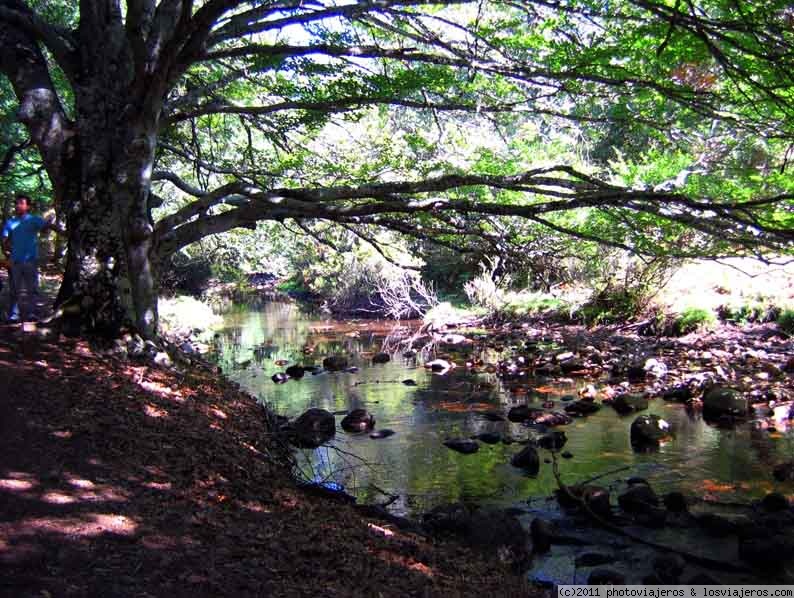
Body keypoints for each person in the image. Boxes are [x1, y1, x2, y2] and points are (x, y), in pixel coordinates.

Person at [1, 194, 59, 322]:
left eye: (21, 203)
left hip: (31, 261)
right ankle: (14, 315)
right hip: (15, 261)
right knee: (14, 289)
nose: (18, 205)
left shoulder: (34, 220)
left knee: (32, 289)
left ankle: (32, 313)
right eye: (17, 203)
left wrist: (63, 231)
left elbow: (47, 227)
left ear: (28, 206)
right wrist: (8, 253)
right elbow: (4, 239)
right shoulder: (11, 222)